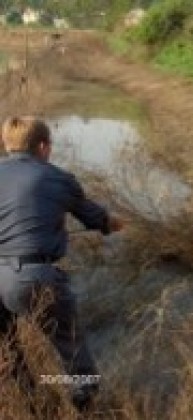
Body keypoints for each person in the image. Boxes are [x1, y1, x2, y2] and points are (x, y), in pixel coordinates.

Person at [0, 116, 124, 411]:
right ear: (43, 146)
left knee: (9, 352)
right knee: (72, 349)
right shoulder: (57, 177)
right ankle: (86, 404)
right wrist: (113, 223)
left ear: (6, 145)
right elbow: (97, 219)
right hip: (32, 276)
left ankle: (31, 404)